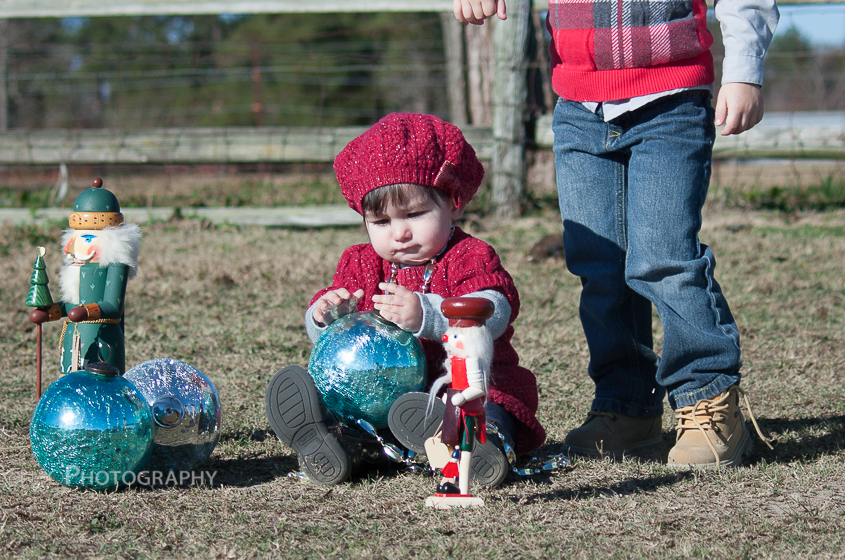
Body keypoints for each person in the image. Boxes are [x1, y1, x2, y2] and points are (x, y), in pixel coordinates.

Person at [453, 0, 777, 467]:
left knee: (664, 259)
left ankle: (709, 398)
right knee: (599, 262)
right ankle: (628, 404)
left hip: (671, 99)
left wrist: (744, 70)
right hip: (580, 107)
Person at [264, 112, 544, 485]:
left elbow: (493, 310)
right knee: (358, 419)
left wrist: (427, 314)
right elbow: (336, 340)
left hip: (463, 386)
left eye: (414, 214)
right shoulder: (360, 263)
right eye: (381, 222)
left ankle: (477, 445)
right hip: (383, 397)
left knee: (487, 406)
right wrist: (327, 317)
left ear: (454, 203)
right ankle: (336, 444)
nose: (399, 233)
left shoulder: (469, 256)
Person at [29, 178, 141, 376]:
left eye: (87, 238)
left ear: (111, 242)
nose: (70, 248)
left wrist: (85, 312)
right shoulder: (77, 269)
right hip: (74, 339)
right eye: (74, 238)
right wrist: (51, 312)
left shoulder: (116, 266)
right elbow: (72, 305)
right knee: (70, 378)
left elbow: (112, 307)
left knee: (100, 382)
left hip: (103, 342)